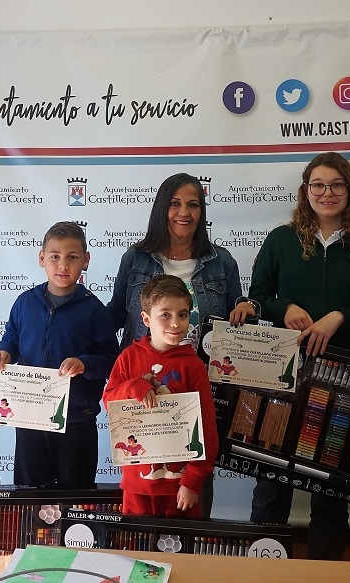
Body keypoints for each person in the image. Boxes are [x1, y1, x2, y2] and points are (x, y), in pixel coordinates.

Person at [249, 151, 350, 560]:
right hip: (284, 379)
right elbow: (257, 298)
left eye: (336, 185)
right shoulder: (281, 239)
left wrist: (340, 317)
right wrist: (284, 307)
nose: (326, 193)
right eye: (318, 185)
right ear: (306, 190)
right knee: (271, 484)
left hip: (345, 383)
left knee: (331, 492)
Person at [108, 172, 254, 518]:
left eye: (193, 204)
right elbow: (114, 315)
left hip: (201, 377)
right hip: (142, 398)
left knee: (191, 494)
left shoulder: (222, 261)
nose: (184, 212)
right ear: (162, 208)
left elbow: (237, 320)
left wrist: (248, 310)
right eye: (175, 204)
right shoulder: (135, 258)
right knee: (143, 494)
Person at [0, 221, 119, 489]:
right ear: (41, 258)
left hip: (76, 422)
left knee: (76, 500)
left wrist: (84, 364)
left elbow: (110, 361)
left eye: (72, 257)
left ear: (86, 260)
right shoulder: (25, 302)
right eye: (55, 257)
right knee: (29, 498)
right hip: (29, 417)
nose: (63, 265)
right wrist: (4, 353)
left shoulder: (95, 311)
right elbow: (11, 338)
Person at [103, 275, 218, 518]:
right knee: (136, 542)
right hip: (137, 483)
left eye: (183, 315)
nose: (175, 323)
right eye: (165, 315)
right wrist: (133, 386)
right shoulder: (128, 358)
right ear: (146, 319)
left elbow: (206, 426)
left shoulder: (194, 366)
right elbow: (109, 401)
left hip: (180, 487)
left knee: (179, 542)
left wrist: (193, 480)